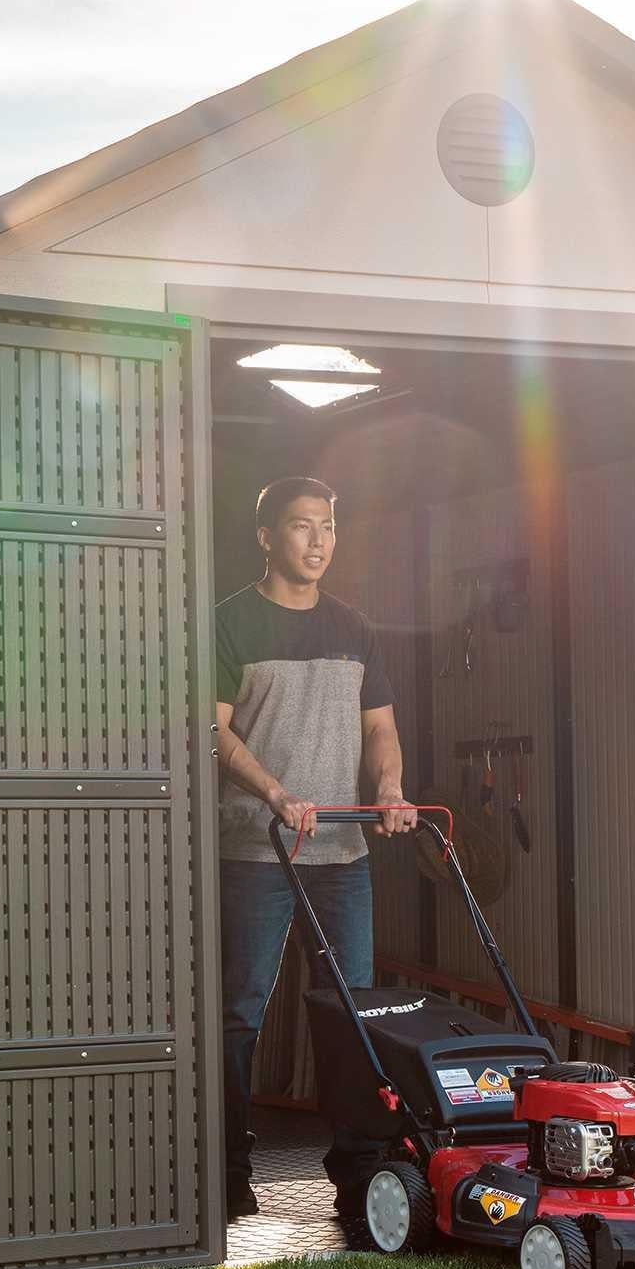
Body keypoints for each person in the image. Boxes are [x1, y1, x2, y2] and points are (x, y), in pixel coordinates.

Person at [214, 475, 416, 1219]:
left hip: (342, 857)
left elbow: (379, 729)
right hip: (256, 849)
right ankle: (230, 1171)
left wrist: (390, 789)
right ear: (268, 537)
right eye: (303, 526)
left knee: (352, 1014)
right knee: (241, 1011)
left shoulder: (354, 628)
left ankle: (360, 1172)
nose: (319, 539)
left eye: (329, 525)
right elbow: (212, 729)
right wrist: (272, 792)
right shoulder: (230, 622)